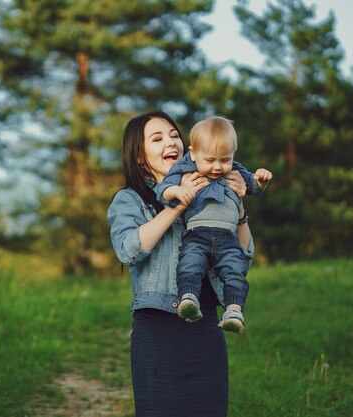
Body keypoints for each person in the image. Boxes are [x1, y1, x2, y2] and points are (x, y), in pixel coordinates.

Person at [107, 111, 254, 417]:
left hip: (206, 328)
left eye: (174, 135)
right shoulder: (131, 200)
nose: (170, 142)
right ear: (138, 156)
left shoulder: (213, 190)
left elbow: (241, 260)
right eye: (157, 138)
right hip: (158, 329)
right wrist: (178, 204)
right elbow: (129, 250)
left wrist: (238, 205)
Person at [155, 116, 272, 333]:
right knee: (190, 264)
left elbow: (253, 187)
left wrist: (260, 180)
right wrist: (179, 191)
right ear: (193, 153)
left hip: (228, 236)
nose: (218, 167)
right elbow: (164, 190)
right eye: (210, 160)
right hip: (197, 233)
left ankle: (234, 310)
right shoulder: (184, 169)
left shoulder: (234, 170)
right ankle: (188, 298)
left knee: (235, 271)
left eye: (225, 159)